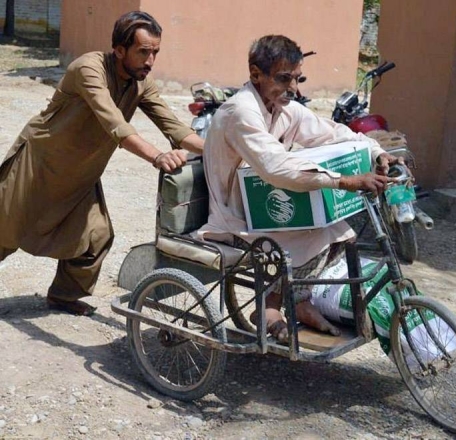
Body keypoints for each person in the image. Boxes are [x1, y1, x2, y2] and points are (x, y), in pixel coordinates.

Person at [195, 35, 402, 341]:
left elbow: (332, 133)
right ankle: (271, 304)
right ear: (256, 74)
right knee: (318, 236)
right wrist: (343, 181)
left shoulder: (283, 107)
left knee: (338, 233)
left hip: (264, 207)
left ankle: (297, 301)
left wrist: (375, 152)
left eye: (296, 78)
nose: (293, 88)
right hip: (235, 217)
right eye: (283, 78)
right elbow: (276, 166)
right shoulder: (241, 112)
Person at [0, 11, 204, 316]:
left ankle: (64, 296)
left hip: (82, 173)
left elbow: (174, 128)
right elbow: (115, 126)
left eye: (155, 53)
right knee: (5, 231)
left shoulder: (141, 83)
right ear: (119, 50)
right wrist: (157, 156)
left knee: (96, 237)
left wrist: (221, 151)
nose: (150, 61)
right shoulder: (88, 69)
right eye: (143, 52)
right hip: (39, 164)